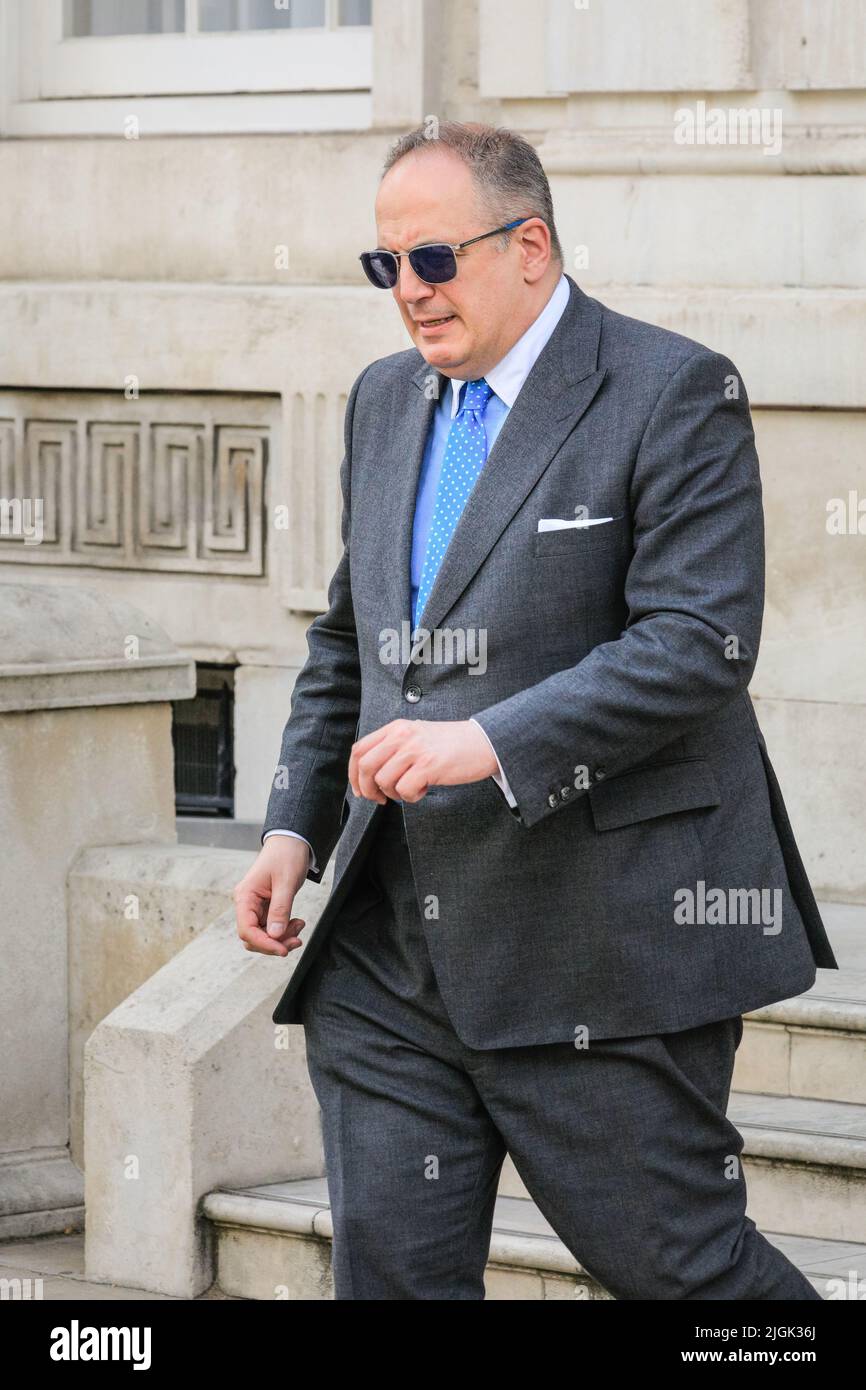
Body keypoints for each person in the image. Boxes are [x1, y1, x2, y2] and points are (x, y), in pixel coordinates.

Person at [234, 121, 838, 1300]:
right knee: (393, 1283)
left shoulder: (671, 389)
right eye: (385, 266)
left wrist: (488, 739)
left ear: (529, 246)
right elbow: (348, 639)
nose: (408, 292)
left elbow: (694, 645)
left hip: (598, 944)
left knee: (686, 1274)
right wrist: (291, 826)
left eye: (433, 260)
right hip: (387, 957)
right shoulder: (381, 402)